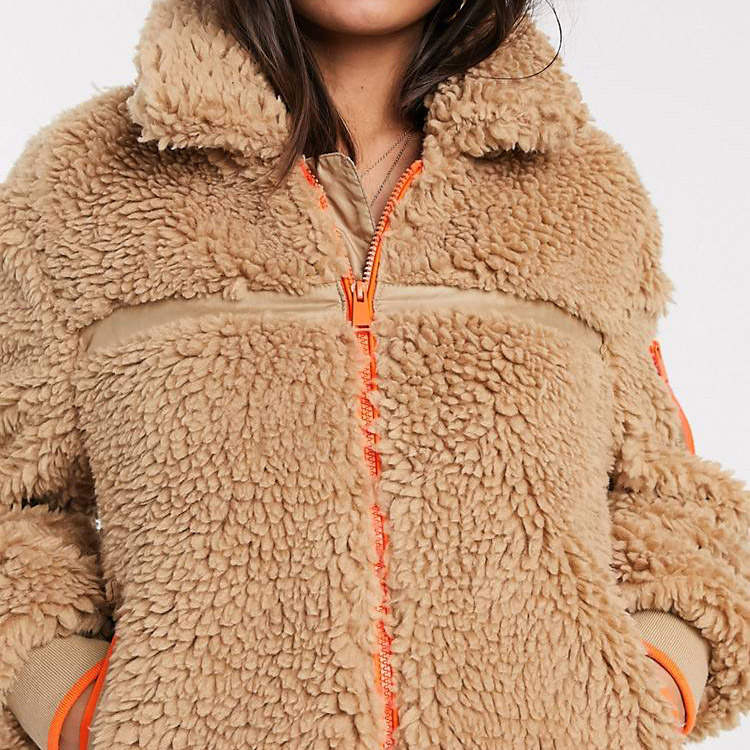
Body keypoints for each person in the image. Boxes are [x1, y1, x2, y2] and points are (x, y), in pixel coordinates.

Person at [1, 0, 748, 748]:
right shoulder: (83, 186)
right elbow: (15, 504)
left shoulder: (583, 191)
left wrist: (658, 677)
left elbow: (669, 495)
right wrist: (69, 706)